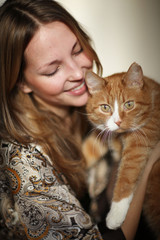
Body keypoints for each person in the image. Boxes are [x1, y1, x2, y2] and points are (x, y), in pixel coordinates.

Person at [0, 0, 159, 239]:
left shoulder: (92, 112)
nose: (78, 73)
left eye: (77, 50)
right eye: (53, 70)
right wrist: (146, 167)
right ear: (21, 82)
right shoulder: (23, 162)